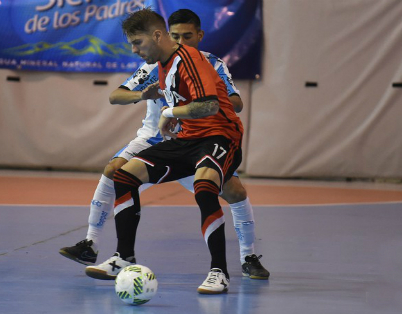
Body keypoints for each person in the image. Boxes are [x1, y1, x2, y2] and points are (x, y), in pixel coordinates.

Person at [59, 8, 268, 286]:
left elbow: (211, 104)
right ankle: (116, 254)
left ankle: (226, 268)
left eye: (137, 43)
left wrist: (170, 113)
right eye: (176, 35)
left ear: (158, 37)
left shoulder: (199, 61)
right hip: (180, 139)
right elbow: (116, 95)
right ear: (166, 34)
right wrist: (146, 97)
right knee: (121, 173)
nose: (134, 50)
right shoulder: (158, 65)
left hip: (218, 137)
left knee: (211, 189)